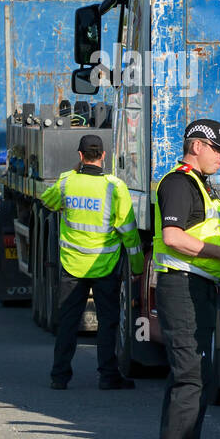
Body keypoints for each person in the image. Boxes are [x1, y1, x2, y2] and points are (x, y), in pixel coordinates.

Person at [150, 119, 220, 439]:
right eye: (219, 149)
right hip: (182, 287)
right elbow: (173, 237)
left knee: (193, 380)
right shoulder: (178, 183)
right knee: (191, 379)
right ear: (197, 146)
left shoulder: (203, 186)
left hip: (199, 288)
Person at [41, 134, 144, 390]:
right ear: (104, 156)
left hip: (72, 264)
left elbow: (47, 201)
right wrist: (138, 267)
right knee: (107, 321)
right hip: (104, 266)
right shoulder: (115, 186)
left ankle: (59, 376)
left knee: (67, 321)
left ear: (79, 155)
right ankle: (108, 376)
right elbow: (128, 231)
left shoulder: (66, 182)